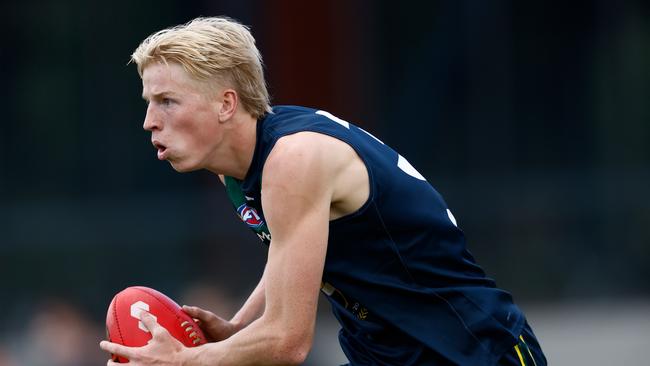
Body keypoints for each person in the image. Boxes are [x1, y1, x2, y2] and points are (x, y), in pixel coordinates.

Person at [100, 16, 546, 365]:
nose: (150, 121)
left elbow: (288, 342)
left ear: (226, 103)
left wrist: (186, 360)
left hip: (467, 350)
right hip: (384, 354)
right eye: (149, 103)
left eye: (167, 101)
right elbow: (286, 252)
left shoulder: (293, 160)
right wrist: (238, 327)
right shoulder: (235, 163)